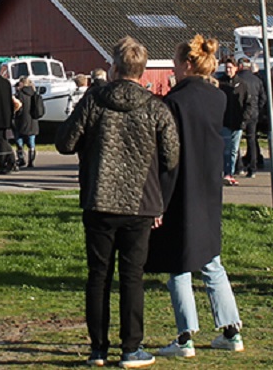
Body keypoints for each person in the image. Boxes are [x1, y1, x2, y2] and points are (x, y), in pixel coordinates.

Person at [56, 36, 180, 370]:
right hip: (140, 204)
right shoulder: (156, 107)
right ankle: (131, 347)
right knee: (131, 276)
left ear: (113, 67)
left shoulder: (94, 100)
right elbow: (171, 157)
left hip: (99, 199)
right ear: (143, 71)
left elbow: (65, 143)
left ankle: (98, 348)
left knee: (98, 276)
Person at [149, 36, 245, 358]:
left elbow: (167, 156)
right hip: (208, 186)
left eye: (175, 64)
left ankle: (184, 336)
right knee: (210, 259)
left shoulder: (174, 102)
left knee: (179, 262)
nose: (173, 70)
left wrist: (158, 199)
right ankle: (231, 329)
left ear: (187, 64)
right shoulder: (217, 98)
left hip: (180, 187)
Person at [236, 57, 265, 178]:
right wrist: (258, 109)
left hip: (240, 112)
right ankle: (253, 167)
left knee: (237, 140)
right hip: (254, 113)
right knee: (251, 139)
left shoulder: (238, 79)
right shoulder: (257, 80)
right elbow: (263, 97)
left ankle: (239, 166)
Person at [218, 57, 246, 185]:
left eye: (230, 67)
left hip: (238, 122)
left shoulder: (242, 84)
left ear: (236, 68)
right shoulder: (221, 84)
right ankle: (226, 173)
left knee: (234, 149)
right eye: (226, 68)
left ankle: (230, 172)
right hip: (225, 121)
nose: (228, 70)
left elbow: (248, 102)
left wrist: (245, 118)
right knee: (226, 149)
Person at [12, 75, 45, 169]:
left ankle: (21, 159)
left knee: (19, 141)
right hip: (33, 121)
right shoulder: (35, 94)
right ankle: (31, 161)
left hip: (21, 120)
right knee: (32, 142)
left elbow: (17, 108)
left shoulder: (19, 95)